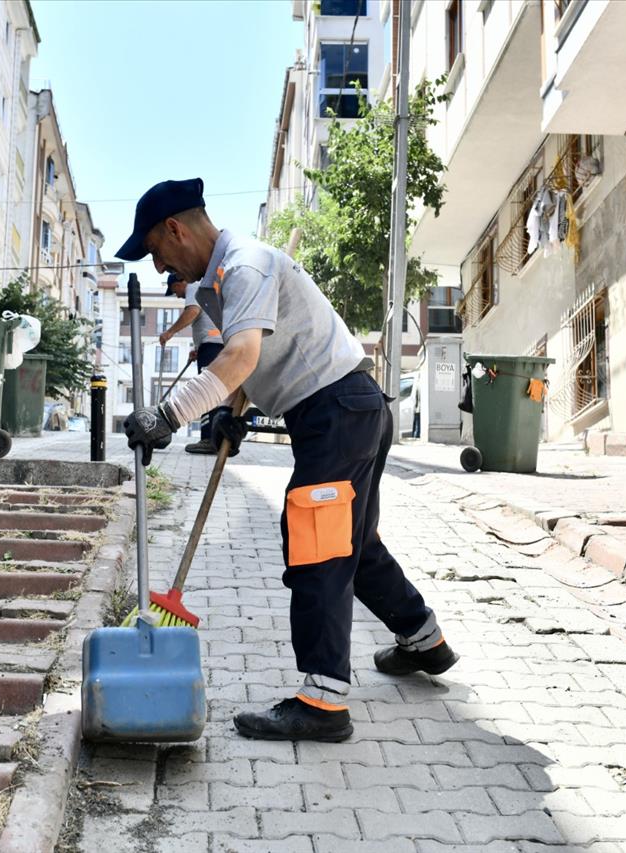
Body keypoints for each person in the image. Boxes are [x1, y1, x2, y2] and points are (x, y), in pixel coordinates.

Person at [119, 179, 458, 743]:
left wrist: (168, 416)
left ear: (176, 229)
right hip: (349, 406)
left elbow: (243, 352)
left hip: (337, 409)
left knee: (317, 543)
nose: (159, 268)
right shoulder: (226, 278)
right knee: (353, 540)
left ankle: (323, 701)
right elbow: (261, 359)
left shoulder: (244, 266)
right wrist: (234, 408)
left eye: (155, 250)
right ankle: (424, 639)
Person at [158, 272, 223, 454]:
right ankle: (219, 440)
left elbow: (193, 311)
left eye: (175, 290)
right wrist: (199, 348)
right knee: (217, 392)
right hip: (214, 345)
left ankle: (208, 439)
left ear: (181, 281)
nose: (178, 295)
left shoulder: (194, 286)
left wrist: (169, 332)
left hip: (212, 346)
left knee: (206, 391)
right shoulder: (204, 288)